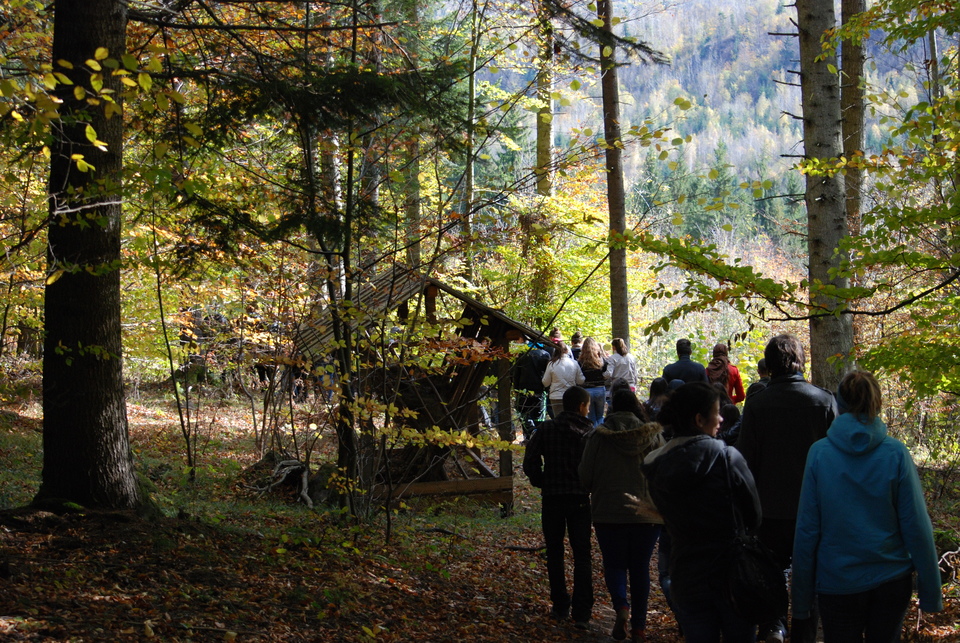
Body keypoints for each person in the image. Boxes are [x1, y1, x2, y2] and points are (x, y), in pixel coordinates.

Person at [792, 371, 943, 642]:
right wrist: (931, 592)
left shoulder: (820, 454)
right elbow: (916, 525)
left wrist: (801, 601)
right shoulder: (895, 453)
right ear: (877, 403)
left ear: (839, 404)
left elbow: (807, 530)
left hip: (837, 582)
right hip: (891, 580)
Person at [736, 334, 837, 643]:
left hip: (768, 509)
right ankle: (804, 635)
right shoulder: (824, 401)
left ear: (770, 365)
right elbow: (837, 460)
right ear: (800, 361)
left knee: (771, 572)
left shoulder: (758, 404)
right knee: (809, 577)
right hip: (813, 509)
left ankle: (775, 626)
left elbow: (745, 460)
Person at [643, 382, 761, 643]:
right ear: (699, 419)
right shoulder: (728, 458)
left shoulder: (655, 465)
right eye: (717, 413)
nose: (721, 419)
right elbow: (754, 516)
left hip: (686, 573)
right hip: (732, 574)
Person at [579, 389, 663, 643]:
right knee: (640, 568)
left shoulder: (598, 437)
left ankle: (621, 607)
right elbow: (664, 473)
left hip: (608, 511)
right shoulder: (653, 436)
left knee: (614, 565)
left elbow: (585, 476)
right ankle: (639, 628)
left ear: (612, 408)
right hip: (646, 515)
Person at [523, 386, 595, 628]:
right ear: (581, 406)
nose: (588, 411)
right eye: (587, 406)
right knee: (582, 554)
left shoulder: (547, 429)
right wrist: (588, 485)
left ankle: (560, 605)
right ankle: (582, 612)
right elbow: (596, 466)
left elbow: (530, 460)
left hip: (552, 498)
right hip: (580, 499)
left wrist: (541, 480)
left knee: (554, 552)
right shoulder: (589, 433)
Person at [513, 342, 551, 440]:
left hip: (523, 389)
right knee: (539, 416)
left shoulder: (523, 354)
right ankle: (538, 436)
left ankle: (529, 436)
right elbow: (548, 373)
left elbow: (516, 373)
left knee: (524, 413)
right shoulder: (545, 354)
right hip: (540, 389)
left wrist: (516, 388)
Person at [542, 341, 585, 418]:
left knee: (558, 419)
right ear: (567, 351)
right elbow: (581, 380)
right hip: (571, 395)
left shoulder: (552, 364)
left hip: (556, 396)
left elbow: (545, 382)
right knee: (571, 418)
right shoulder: (574, 363)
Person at [578, 337, 608, 426]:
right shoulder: (601, 360)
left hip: (587, 390)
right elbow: (606, 372)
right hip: (600, 389)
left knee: (592, 417)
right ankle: (602, 432)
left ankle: (593, 432)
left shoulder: (581, 362)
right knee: (600, 416)